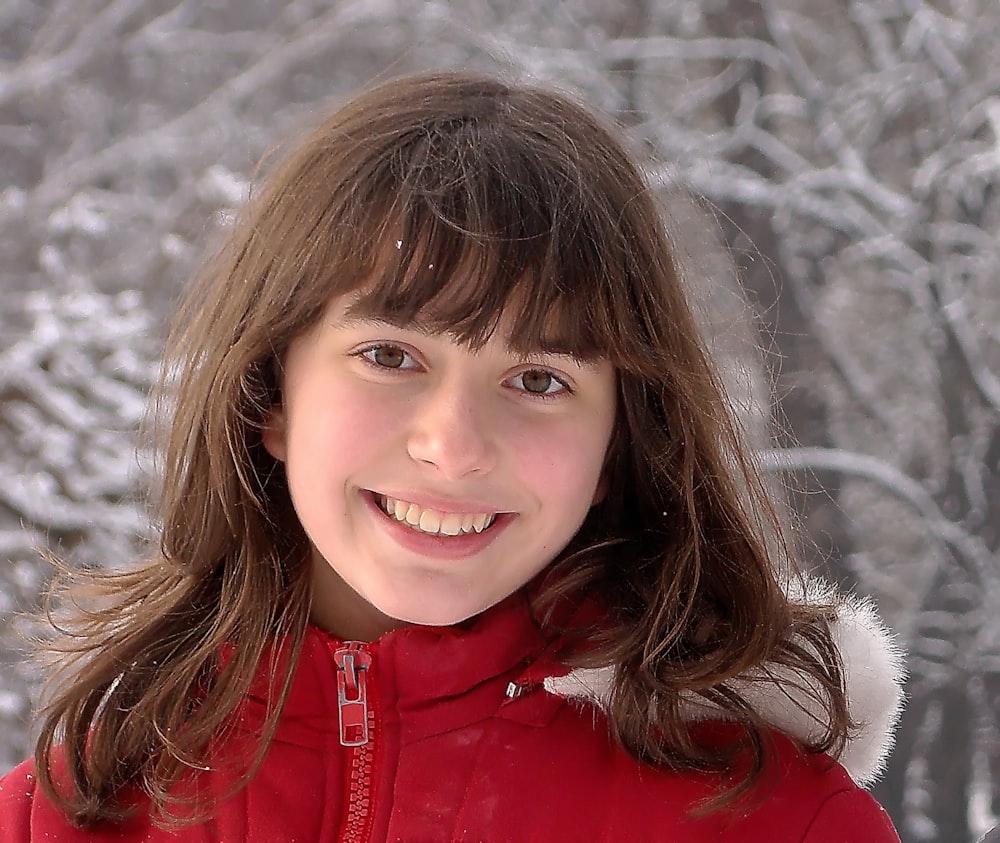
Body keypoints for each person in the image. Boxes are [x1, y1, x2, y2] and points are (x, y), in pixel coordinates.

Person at [0, 70, 904, 841]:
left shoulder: (776, 821)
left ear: (617, 440)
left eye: (541, 380)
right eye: (391, 356)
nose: (454, 447)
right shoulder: (62, 813)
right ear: (270, 394)